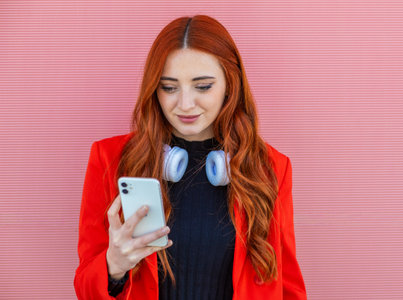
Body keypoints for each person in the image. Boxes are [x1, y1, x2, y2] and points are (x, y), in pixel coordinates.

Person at [74, 15, 307, 300]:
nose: (185, 104)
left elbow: (288, 287)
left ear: (229, 85)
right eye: (169, 87)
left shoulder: (269, 168)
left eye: (203, 86)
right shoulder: (109, 160)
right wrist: (114, 267)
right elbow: (85, 288)